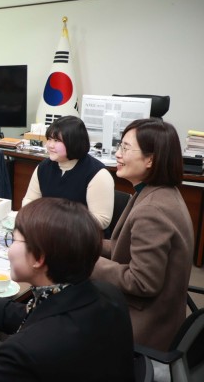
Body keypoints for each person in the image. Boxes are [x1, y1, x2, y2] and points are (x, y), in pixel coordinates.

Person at [0, 198, 134, 381]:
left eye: (13, 239)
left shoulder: (23, 351)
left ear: (38, 258)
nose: (9, 248)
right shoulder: (108, 294)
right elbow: (30, 314)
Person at [91, 118, 193, 351]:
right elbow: (124, 248)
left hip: (145, 327)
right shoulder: (156, 192)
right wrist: (85, 244)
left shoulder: (152, 210)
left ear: (151, 159)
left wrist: (86, 262)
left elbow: (142, 281)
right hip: (160, 314)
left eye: (126, 148)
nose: (117, 154)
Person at [22, 116, 114, 229]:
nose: (50, 145)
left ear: (73, 142)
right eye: (49, 139)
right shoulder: (43, 167)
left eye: (56, 140)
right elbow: (30, 200)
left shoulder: (98, 174)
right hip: (47, 231)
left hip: (80, 236)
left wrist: (54, 220)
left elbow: (101, 220)